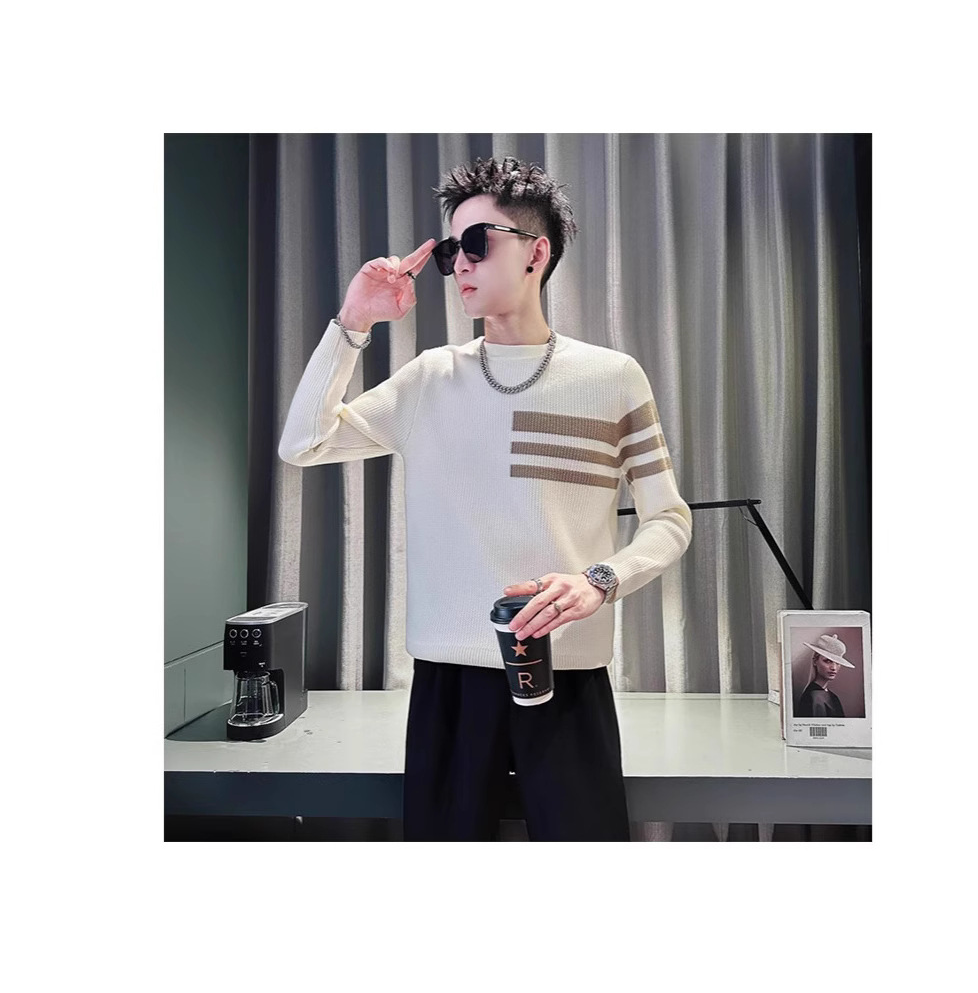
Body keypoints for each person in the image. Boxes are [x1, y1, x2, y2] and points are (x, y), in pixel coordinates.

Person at [278, 155, 692, 840]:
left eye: (477, 243)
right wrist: (352, 323)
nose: (460, 264)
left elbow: (669, 519)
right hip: (449, 682)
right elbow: (302, 443)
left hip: (567, 672)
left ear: (536, 253)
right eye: (450, 251)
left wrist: (599, 580)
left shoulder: (612, 378)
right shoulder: (429, 379)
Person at [794, 633, 853, 719]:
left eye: (837, 663)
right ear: (815, 661)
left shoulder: (832, 696)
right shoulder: (814, 696)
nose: (834, 668)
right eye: (827, 661)